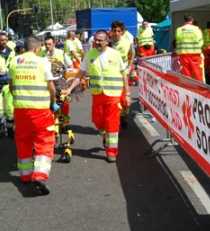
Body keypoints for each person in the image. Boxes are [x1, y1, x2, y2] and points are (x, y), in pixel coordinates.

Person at [63, 30, 130, 163]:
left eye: (100, 40)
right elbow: (80, 74)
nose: (97, 42)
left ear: (107, 41)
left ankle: (111, 152)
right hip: (98, 95)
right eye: (96, 40)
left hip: (113, 95)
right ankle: (105, 136)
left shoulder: (115, 55)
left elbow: (124, 75)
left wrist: (127, 94)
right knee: (97, 120)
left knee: (112, 123)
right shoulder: (89, 55)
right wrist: (69, 89)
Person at [9, 36, 57, 195]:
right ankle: (40, 175)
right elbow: (51, 86)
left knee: (23, 141)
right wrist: (53, 102)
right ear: (37, 48)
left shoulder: (15, 62)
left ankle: (25, 175)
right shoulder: (42, 61)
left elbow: (11, 87)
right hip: (40, 110)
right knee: (45, 140)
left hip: (20, 110)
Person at [111, 20, 135, 129]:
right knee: (114, 97)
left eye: (118, 31)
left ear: (122, 32)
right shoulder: (108, 42)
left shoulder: (127, 42)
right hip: (111, 73)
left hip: (123, 73)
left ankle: (124, 115)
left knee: (124, 96)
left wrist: (130, 65)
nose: (116, 33)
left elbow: (133, 52)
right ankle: (116, 117)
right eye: (114, 31)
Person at [174, 14, 204, 82]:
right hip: (195, 55)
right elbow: (201, 43)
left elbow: (177, 41)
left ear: (184, 20)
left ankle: (188, 90)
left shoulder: (178, 30)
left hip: (183, 55)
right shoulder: (197, 29)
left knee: (186, 74)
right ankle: (200, 90)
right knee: (197, 73)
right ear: (192, 20)